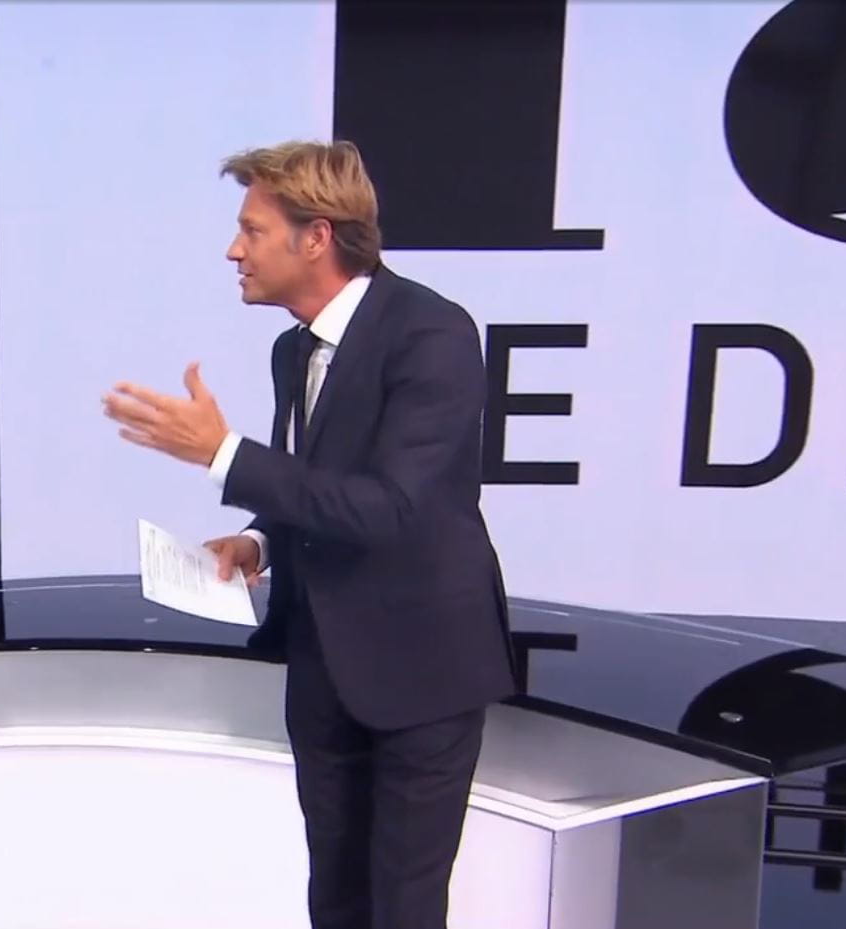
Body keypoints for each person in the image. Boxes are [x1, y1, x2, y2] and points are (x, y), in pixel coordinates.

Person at [101, 139, 516, 929]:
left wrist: (223, 454)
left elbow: (389, 506)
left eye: (251, 230)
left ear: (316, 237)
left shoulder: (432, 334)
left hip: (422, 669)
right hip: (326, 668)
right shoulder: (292, 348)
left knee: (403, 908)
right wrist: (258, 541)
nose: (234, 250)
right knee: (334, 898)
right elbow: (315, 482)